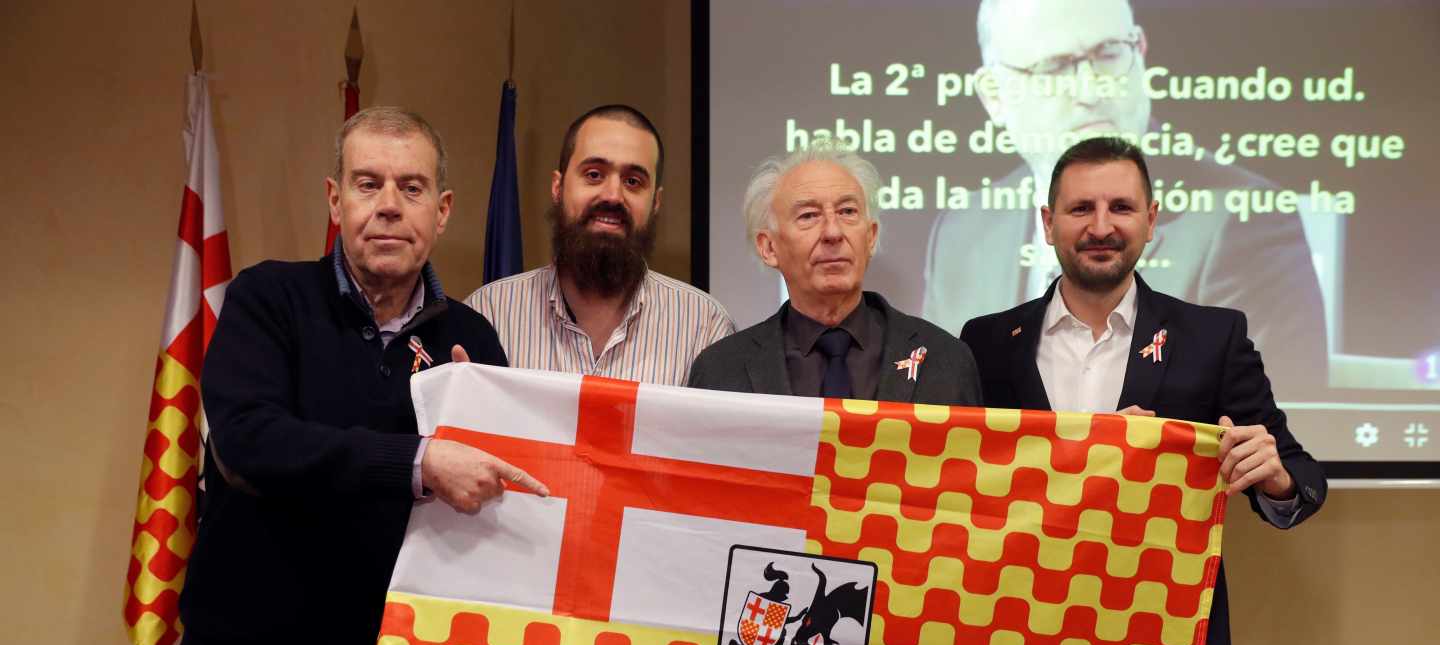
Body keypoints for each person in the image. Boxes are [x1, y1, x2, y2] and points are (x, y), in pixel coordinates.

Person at [162, 107, 546, 645]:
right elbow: (251, 443)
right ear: (336, 201)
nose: (388, 205)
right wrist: (418, 459)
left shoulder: (472, 342)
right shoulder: (269, 299)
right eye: (368, 184)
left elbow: (496, 506)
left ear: (442, 212)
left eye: (411, 188)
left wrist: (468, 432)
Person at [961, 136, 1326, 645]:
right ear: (1047, 220)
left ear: (1153, 220)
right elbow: (962, 490)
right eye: (1082, 208)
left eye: (1121, 207)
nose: (1102, 225)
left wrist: (1271, 470)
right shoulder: (987, 342)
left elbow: (1299, 475)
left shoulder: (1211, 335)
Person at [925, 0, 1327, 397]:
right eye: (1056, 67)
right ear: (994, 95)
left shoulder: (1242, 216)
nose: (1091, 89)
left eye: (1108, 55)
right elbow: (942, 407)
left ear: (1141, 52)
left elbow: (1271, 421)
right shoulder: (964, 229)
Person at [688, 145, 980, 405]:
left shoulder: (946, 359)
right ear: (769, 247)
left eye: (847, 211)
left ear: (871, 236)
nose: (833, 232)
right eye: (808, 216)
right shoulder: (721, 371)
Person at [466, 104, 732, 385]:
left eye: (633, 181)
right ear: (558, 187)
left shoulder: (704, 327)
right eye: (594, 174)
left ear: (656, 202)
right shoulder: (490, 314)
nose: (613, 196)